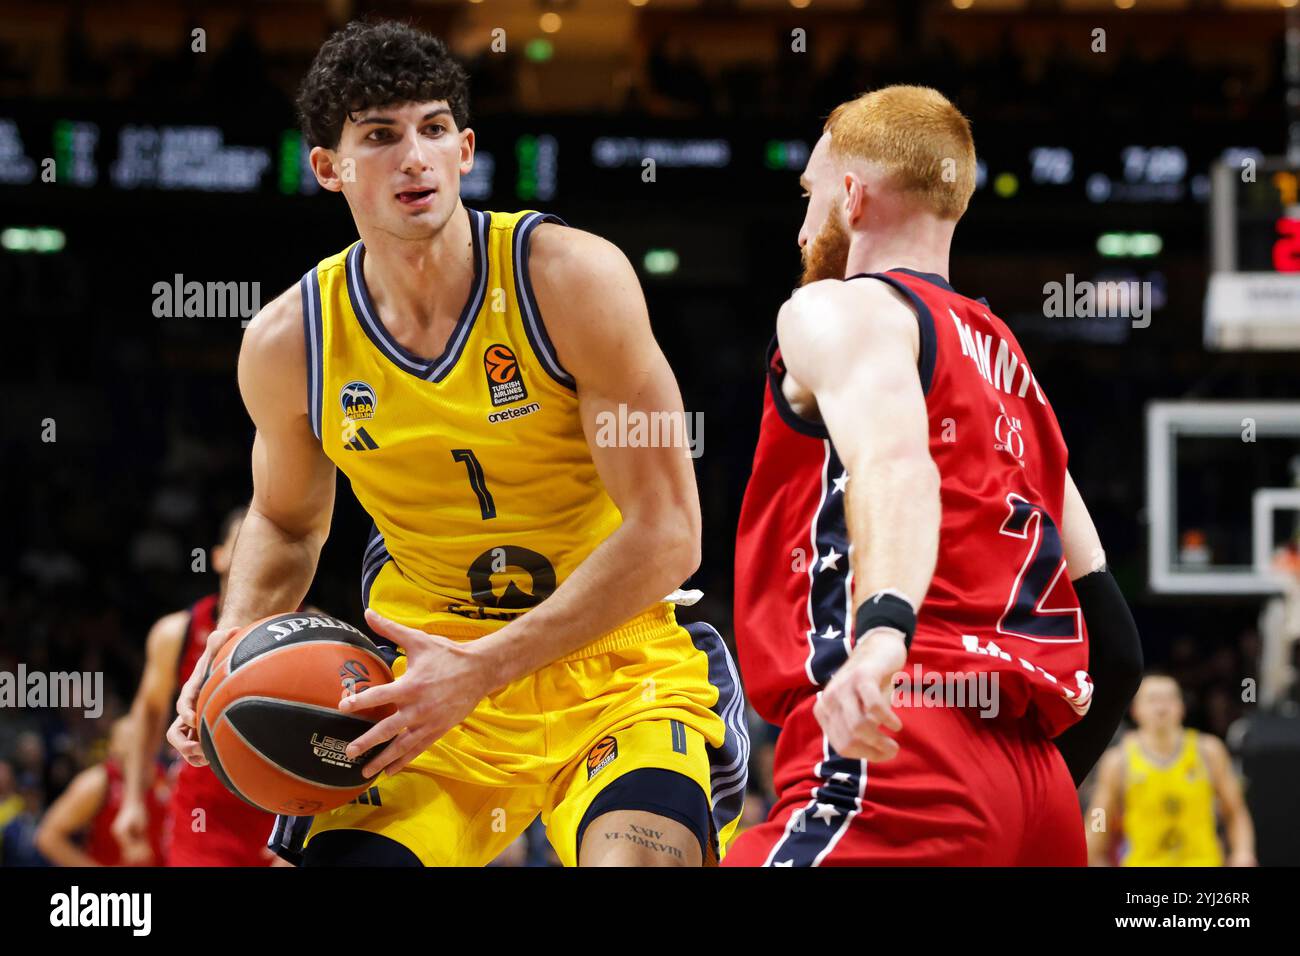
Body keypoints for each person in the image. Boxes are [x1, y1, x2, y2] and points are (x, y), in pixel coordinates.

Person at [168, 19, 746, 867]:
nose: (415, 158)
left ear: (466, 147)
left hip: (615, 664)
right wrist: (234, 646)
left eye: (435, 129)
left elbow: (669, 533)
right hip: (416, 679)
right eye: (380, 136)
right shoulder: (291, 342)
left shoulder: (571, 280)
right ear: (328, 167)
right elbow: (289, 523)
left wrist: (482, 667)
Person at [725, 85, 1138, 866]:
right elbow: (1117, 647)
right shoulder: (1011, 369)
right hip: (1036, 789)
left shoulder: (838, 310)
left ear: (851, 195)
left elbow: (893, 465)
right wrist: (1012, 811)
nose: (803, 220)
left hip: (897, 736)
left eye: (809, 193)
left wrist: (882, 636)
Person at [113, 507, 279, 866]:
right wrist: (132, 801)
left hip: (279, 813)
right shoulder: (176, 633)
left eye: (266, 546)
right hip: (202, 816)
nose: (257, 554)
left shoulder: (311, 633)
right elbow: (149, 713)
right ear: (218, 557)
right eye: (246, 544)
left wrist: (303, 826)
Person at [1086, 673, 1256, 866]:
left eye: (1169, 699)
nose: (1161, 708)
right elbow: (1099, 816)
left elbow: (1235, 811)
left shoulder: (1209, 751)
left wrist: (1243, 853)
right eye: (1152, 700)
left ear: (1182, 708)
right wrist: (1093, 851)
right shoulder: (1118, 761)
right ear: (1136, 710)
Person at [35, 717, 169, 866]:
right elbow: (48, 837)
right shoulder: (98, 782)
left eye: (142, 738)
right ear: (113, 747)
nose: (135, 746)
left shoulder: (164, 778)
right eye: (129, 740)